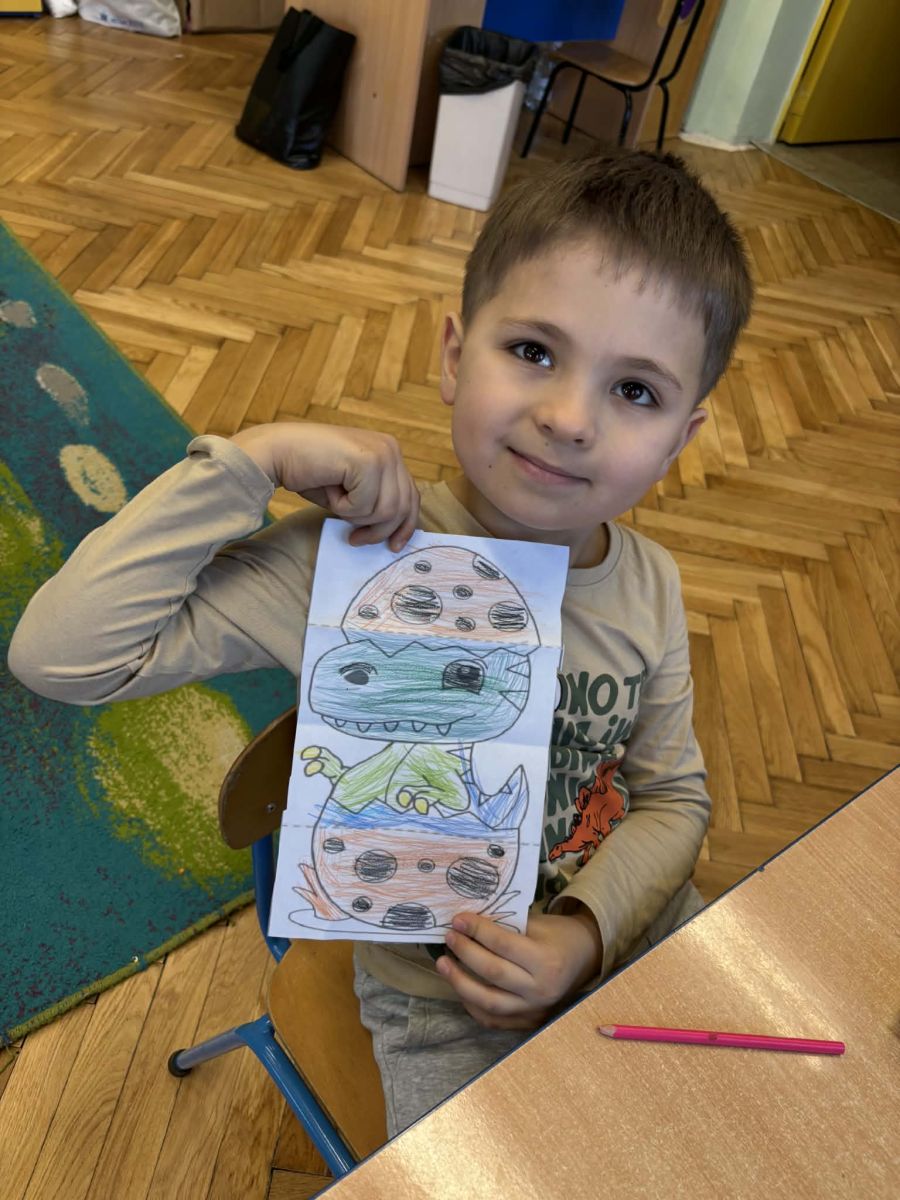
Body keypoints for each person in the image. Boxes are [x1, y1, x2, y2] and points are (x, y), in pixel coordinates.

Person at [9, 149, 753, 1138]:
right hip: (441, 1001)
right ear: (454, 355)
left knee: (755, 1131)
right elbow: (60, 657)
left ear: (680, 440)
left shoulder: (648, 585)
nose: (569, 418)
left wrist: (585, 933)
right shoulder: (353, 562)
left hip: (632, 929)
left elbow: (674, 799)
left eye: (636, 392)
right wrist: (254, 460)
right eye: (533, 351)